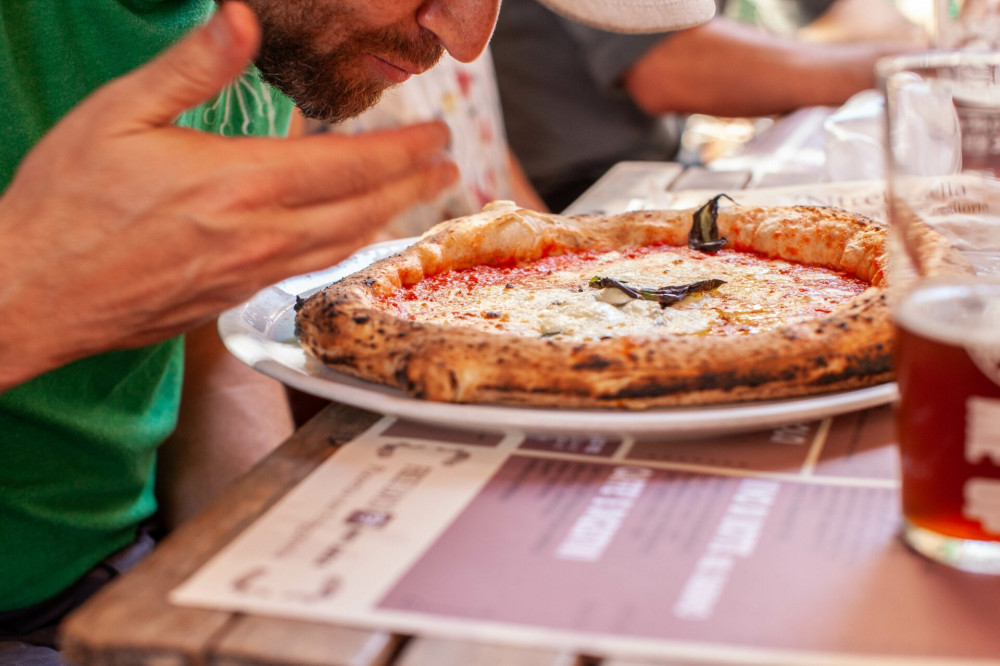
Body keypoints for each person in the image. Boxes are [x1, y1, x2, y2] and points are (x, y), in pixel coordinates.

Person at [0, 0, 716, 662]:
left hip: (113, 577)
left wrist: (279, 582)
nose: (464, 41)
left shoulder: (266, 37)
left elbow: (212, 347)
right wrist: (27, 300)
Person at [490, 0, 927, 212]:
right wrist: (920, 65)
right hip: (582, 194)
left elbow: (866, 14)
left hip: (669, 168)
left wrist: (794, 60)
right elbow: (673, 67)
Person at [311, 49, 549, 239]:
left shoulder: (469, 32)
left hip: (495, 252)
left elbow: (484, 138)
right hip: (398, 264)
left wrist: (545, 227)